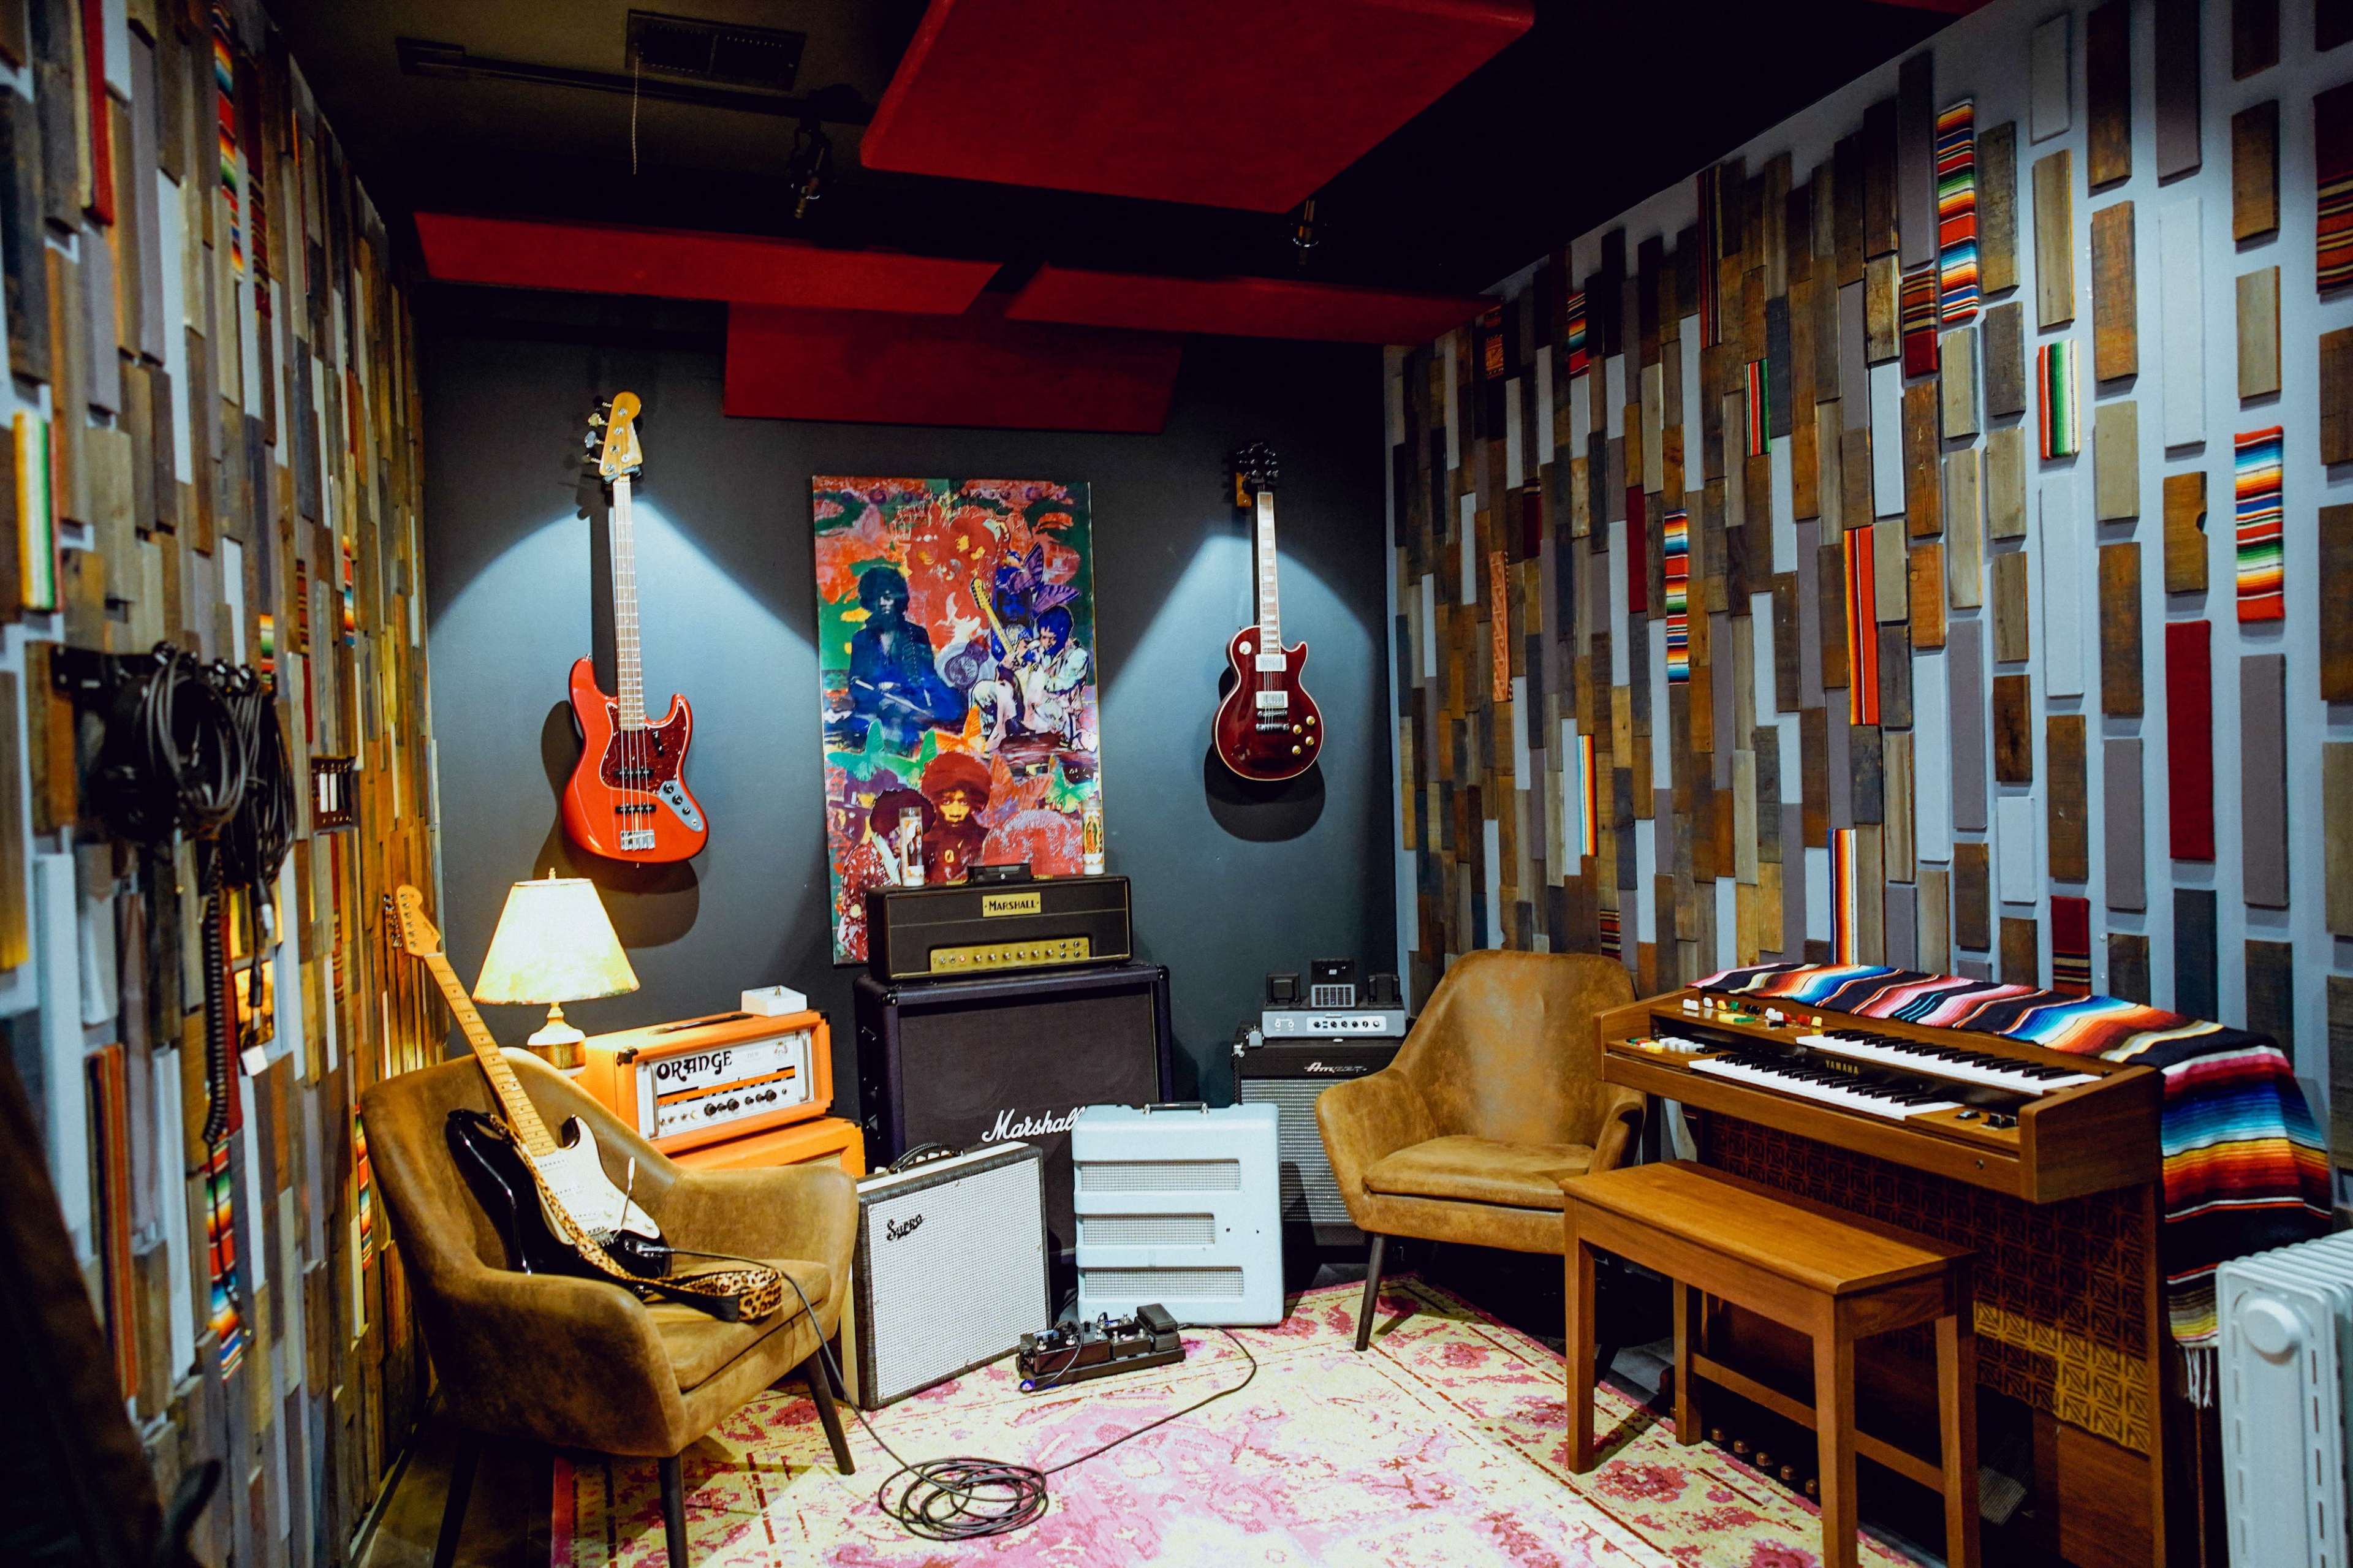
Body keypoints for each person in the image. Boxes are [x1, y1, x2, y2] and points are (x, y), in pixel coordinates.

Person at [844, 566, 966, 754]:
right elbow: (855, 685)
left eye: (888, 596)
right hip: (873, 707)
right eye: (877, 597)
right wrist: (880, 695)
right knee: (863, 727)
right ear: (870, 601)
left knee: (947, 712)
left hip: (910, 705)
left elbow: (928, 677)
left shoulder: (916, 635)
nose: (883, 602)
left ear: (898, 598)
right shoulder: (860, 639)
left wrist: (903, 694)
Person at [1015, 606, 1090, 747]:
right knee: (983, 690)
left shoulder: (1078, 656)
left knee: (1038, 697)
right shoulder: (1040, 648)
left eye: (1052, 639)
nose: (1046, 643)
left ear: (1063, 637)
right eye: (1043, 637)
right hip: (1035, 711)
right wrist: (1019, 655)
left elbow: (1059, 686)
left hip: (1061, 714)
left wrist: (1035, 665)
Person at [919, 751, 992, 884]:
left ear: (974, 802)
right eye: (946, 802)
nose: (956, 811)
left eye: (964, 802)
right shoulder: (923, 843)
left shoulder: (987, 840)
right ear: (935, 801)